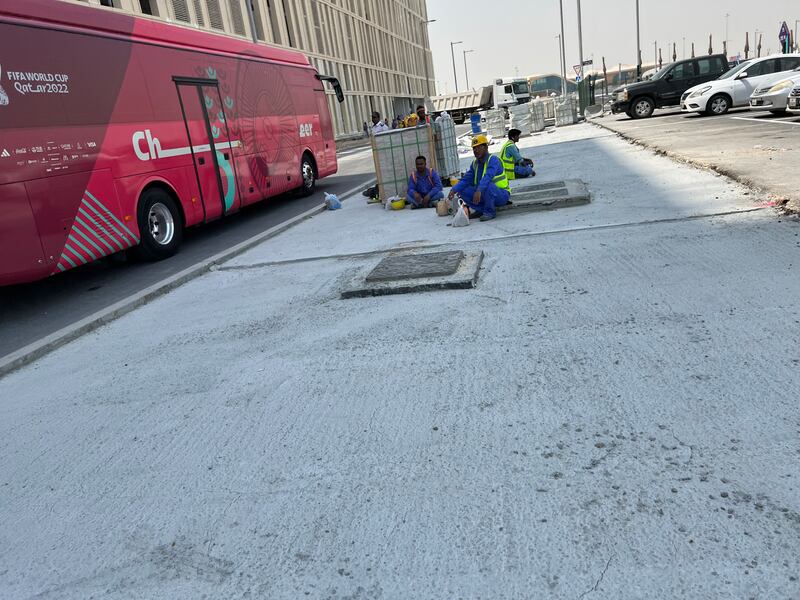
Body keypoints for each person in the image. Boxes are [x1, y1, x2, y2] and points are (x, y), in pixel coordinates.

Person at [448, 134, 510, 221]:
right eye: (474, 148)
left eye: (479, 147)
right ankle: (481, 210)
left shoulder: (493, 160)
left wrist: (479, 190)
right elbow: (466, 179)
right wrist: (454, 189)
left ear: (486, 147)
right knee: (461, 190)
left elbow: (488, 176)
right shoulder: (475, 163)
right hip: (484, 194)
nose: (476, 150)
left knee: (489, 185)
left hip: (501, 195)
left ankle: (490, 212)